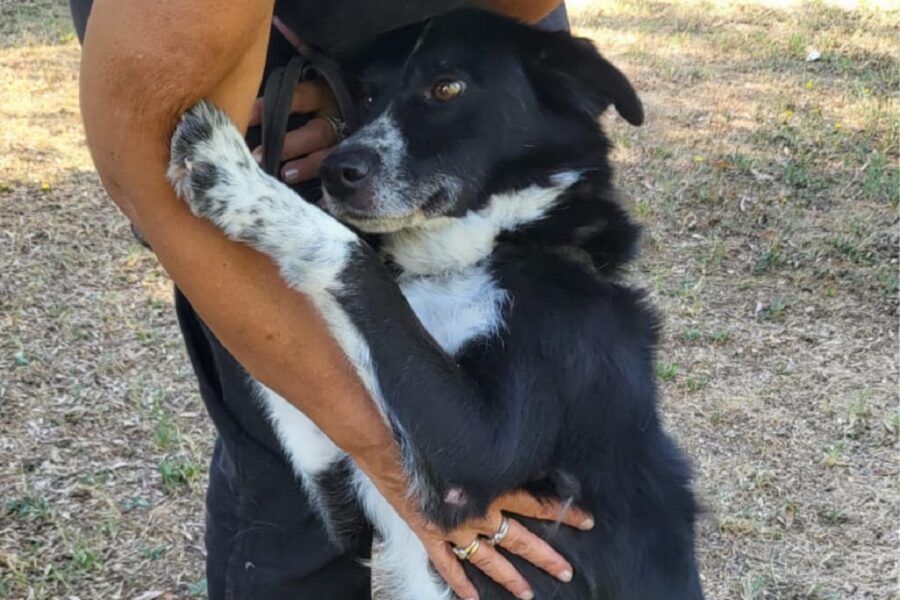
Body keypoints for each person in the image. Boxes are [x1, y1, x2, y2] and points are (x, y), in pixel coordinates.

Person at [72, 2, 591, 599]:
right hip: (236, 74)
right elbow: (154, 173)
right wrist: (402, 463)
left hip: (457, 63)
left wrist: (389, 98)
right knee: (301, 499)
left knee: (539, 485)